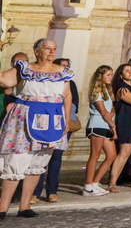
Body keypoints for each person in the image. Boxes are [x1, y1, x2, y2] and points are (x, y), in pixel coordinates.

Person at [0, 39, 73, 221]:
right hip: (24, 118)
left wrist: (67, 120)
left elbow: (67, 94)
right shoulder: (24, 68)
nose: (51, 52)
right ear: (36, 51)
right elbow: (3, 79)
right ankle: (2, 207)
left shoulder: (62, 72)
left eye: (54, 48)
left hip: (51, 119)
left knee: (38, 162)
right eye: (47, 48)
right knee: (17, 159)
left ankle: (24, 206)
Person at [30, 57, 78, 204]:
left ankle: (52, 191)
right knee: (39, 158)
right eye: (63, 65)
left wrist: (68, 121)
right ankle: (35, 192)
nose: (66, 68)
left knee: (56, 158)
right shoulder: (46, 79)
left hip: (60, 121)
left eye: (67, 66)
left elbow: (73, 101)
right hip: (43, 120)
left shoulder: (70, 82)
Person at [83, 65, 117, 197]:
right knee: (95, 155)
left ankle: (95, 182)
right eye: (108, 74)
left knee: (111, 155)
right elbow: (103, 112)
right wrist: (113, 127)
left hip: (105, 125)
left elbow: (112, 109)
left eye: (111, 74)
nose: (111, 77)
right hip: (97, 125)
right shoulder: (96, 92)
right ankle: (88, 186)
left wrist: (111, 114)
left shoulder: (107, 91)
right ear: (100, 76)